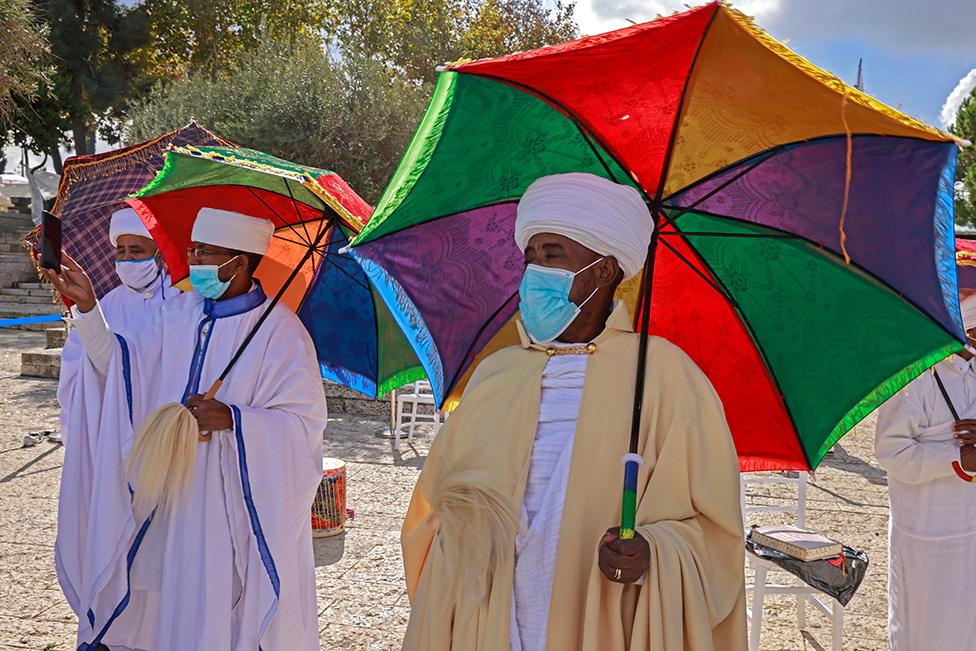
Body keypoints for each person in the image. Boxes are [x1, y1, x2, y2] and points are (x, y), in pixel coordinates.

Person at [401, 173, 746, 650]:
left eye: (553, 255)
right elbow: (433, 506)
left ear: (605, 271)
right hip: (489, 615)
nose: (535, 271)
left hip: (604, 618)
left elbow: (715, 535)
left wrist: (653, 554)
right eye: (530, 257)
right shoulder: (496, 373)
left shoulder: (666, 377)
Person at [47, 207, 327, 650]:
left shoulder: (281, 333)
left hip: (227, 503)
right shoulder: (181, 314)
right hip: (172, 491)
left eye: (206, 254)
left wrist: (234, 419)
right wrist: (88, 310)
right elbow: (124, 373)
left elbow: (302, 426)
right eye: (193, 251)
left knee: (221, 609)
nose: (193, 263)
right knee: (166, 603)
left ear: (240, 261)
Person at [875, 289, 976, 651]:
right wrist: (954, 460)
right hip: (928, 536)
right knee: (926, 629)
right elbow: (890, 451)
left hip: (972, 530)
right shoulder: (914, 376)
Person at [57, 207, 176, 442]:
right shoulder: (109, 302)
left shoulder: (180, 298)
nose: (126, 259)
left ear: (159, 254)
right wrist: (88, 310)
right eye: (120, 251)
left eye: (136, 251)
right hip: (113, 425)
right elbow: (79, 359)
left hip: (163, 426)